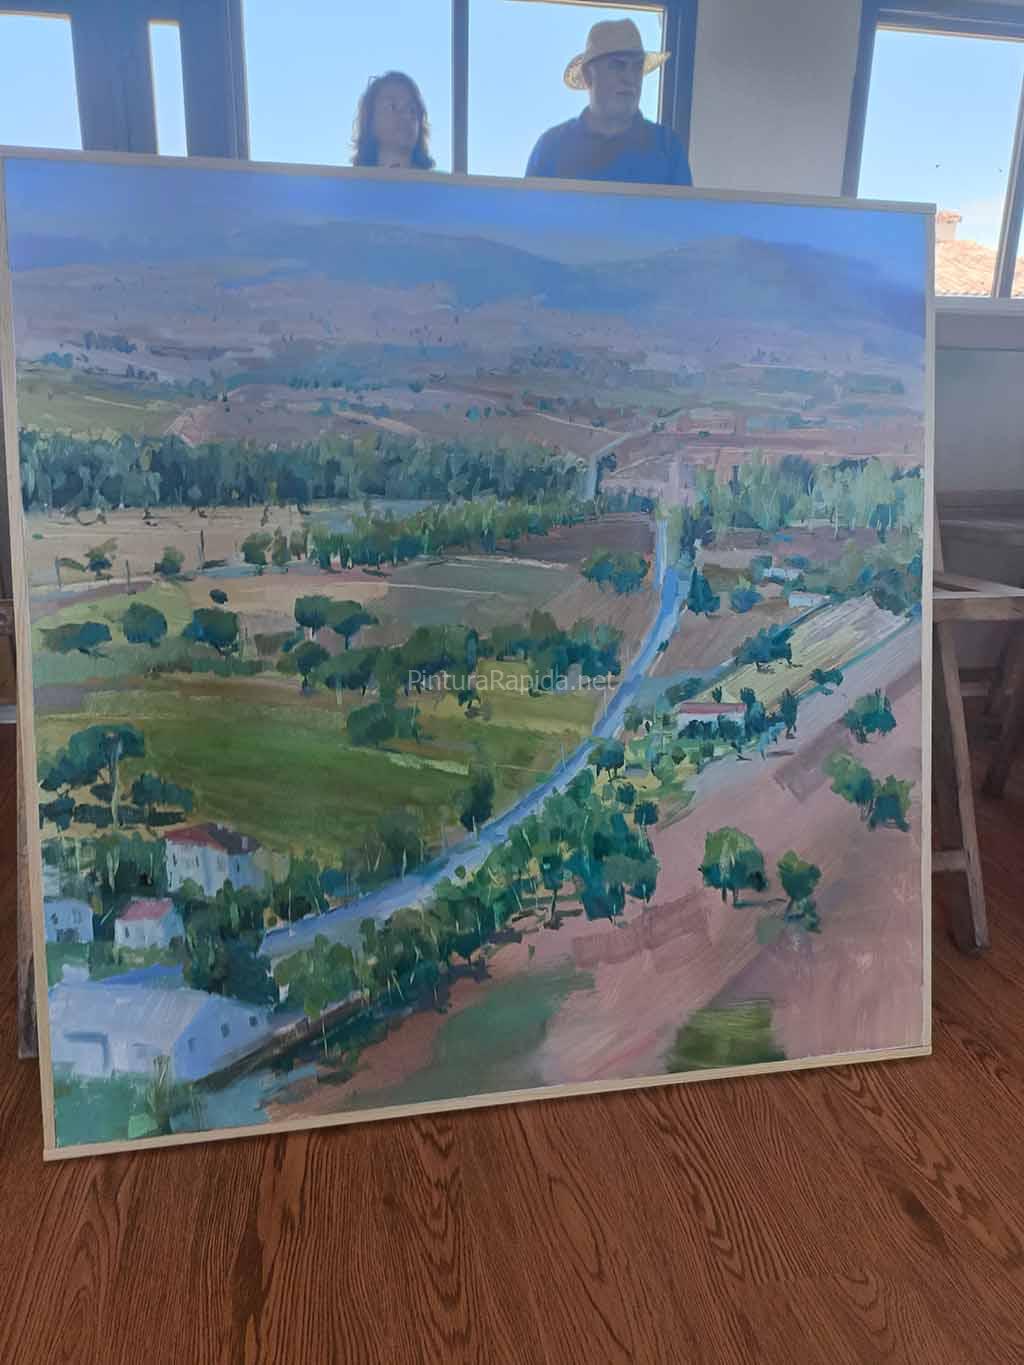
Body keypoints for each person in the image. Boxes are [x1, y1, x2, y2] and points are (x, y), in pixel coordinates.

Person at [525, 19, 691, 187]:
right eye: (618, 65)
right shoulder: (551, 148)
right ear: (588, 75)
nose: (630, 78)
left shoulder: (668, 148)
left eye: (637, 67)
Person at [352, 71, 436, 170]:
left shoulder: (440, 180)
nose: (406, 116)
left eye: (412, 110)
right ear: (370, 120)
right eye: (392, 106)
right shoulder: (349, 179)